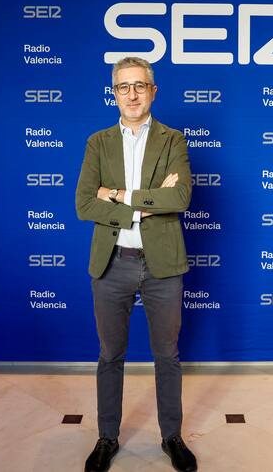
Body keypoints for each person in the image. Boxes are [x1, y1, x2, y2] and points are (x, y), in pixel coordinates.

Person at [75, 57, 197, 472]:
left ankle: (171, 436)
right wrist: (145, 205)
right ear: (114, 93)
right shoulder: (98, 142)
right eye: (123, 86)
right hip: (112, 265)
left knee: (168, 355)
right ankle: (107, 437)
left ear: (153, 91)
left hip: (163, 265)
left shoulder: (173, 139)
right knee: (110, 354)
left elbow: (179, 198)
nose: (131, 94)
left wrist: (117, 194)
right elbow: (84, 204)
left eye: (139, 86)